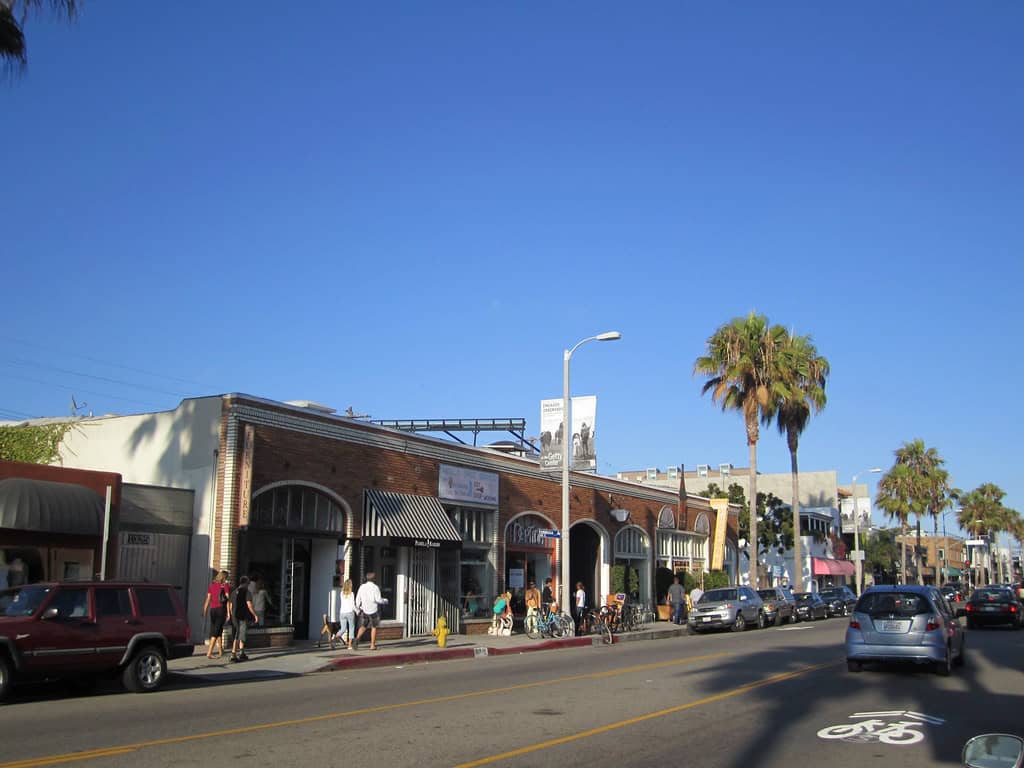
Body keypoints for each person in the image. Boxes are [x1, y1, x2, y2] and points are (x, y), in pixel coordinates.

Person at [353, 572, 387, 650]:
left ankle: (357, 639)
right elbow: (378, 600)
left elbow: (358, 598)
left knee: (364, 625)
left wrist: (357, 608)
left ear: (367, 578)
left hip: (364, 609)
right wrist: (385, 601)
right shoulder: (375, 587)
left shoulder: (362, 587)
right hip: (374, 610)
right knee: (374, 627)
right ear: (374, 579)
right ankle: (372, 645)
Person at [228, 576, 258, 663]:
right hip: (242, 616)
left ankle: (242, 653)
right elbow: (249, 605)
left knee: (240, 634)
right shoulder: (246, 592)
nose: (248, 585)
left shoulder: (234, 592)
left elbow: (230, 605)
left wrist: (231, 614)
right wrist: (255, 615)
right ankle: (233, 654)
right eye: (248, 583)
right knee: (239, 634)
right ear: (245, 583)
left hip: (235, 616)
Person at [202, 570, 230, 659]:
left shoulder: (212, 586)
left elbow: (208, 599)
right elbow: (228, 599)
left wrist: (204, 610)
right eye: (227, 578)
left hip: (213, 610)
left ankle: (221, 650)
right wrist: (229, 613)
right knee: (216, 631)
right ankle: (209, 653)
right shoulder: (225, 586)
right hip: (221, 610)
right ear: (224, 578)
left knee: (218, 629)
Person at [335, 578, 357, 650]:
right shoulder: (352, 594)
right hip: (350, 612)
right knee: (351, 628)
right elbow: (353, 605)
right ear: (350, 585)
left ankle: (335, 638)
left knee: (343, 629)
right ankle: (349, 645)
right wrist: (357, 611)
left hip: (342, 613)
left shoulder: (341, 593)